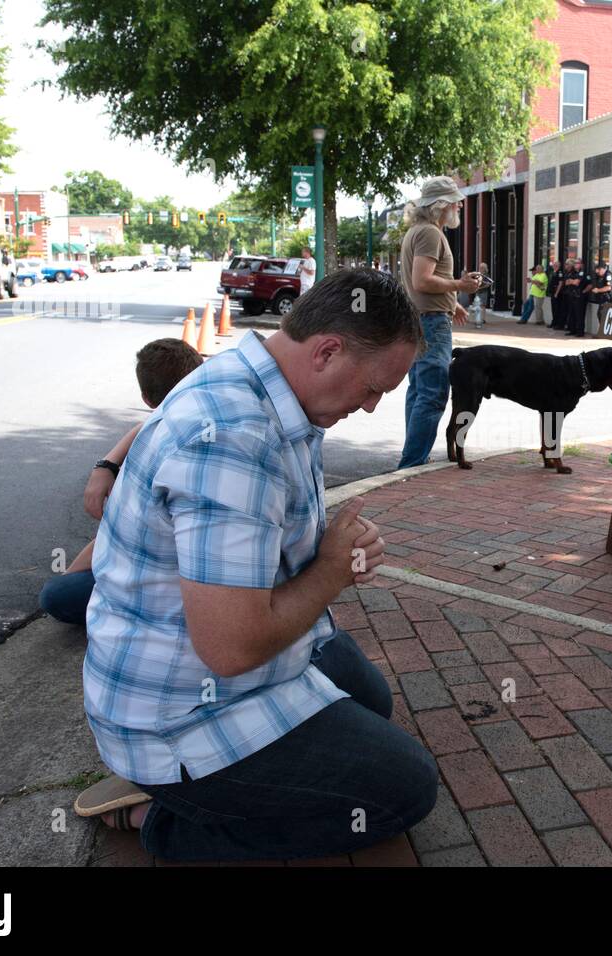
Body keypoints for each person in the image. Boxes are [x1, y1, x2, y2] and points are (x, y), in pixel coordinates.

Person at [76, 269, 437, 861]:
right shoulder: (232, 438)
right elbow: (233, 648)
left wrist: (343, 546)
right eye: (374, 388)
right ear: (327, 351)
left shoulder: (270, 388)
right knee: (404, 789)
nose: (371, 407)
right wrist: (331, 571)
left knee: (371, 703)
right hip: (181, 709)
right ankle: (163, 819)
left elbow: (278, 539)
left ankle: (197, 792)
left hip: (194, 666)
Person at [39, 339, 203, 626]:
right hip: (197, 572)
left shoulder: (153, 450)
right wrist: (108, 463)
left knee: (57, 595)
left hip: (167, 579)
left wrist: (109, 464)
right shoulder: (210, 420)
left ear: (146, 400)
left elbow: (116, 531)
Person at [396, 176, 482, 468]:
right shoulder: (431, 234)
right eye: (455, 200)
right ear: (441, 206)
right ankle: (412, 462)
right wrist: (460, 285)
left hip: (420, 319)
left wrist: (453, 302)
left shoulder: (417, 231)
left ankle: (412, 457)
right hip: (431, 323)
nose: (460, 204)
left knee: (419, 391)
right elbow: (422, 281)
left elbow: (419, 282)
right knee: (432, 395)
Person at [585, 258, 612, 336]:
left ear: (603, 269)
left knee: (602, 315)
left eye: (599, 269)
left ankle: (604, 333)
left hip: (607, 299)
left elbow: (608, 287)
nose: (597, 271)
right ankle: (603, 333)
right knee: (600, 314)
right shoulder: (599, 276)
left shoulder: (608, 275)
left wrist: (598, 290)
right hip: (601, 299)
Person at [562, 258, 586, 336]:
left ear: (581, 264)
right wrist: (572, 281)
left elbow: (576, 283)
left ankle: (580, 332)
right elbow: (566, 282)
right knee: (572, 314)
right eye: (575, 263)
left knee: (579, 315)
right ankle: (572, 330)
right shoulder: (574, 273)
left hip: (579, 296)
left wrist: (571, 281)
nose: (576, 265)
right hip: (572, 295)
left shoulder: (582, 273)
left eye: (577, 263)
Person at [547, 258, 567, 329]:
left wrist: (556, 293)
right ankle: (554, 322)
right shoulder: (553, 272)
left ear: (558, 266)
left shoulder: (560, 273)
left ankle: (558, 324)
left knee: (557, 309)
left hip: (557, 294)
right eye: (553, 265)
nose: (553, 266)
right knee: (553, 309)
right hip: (552, 293)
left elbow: (560, 283)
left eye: (555, 265)